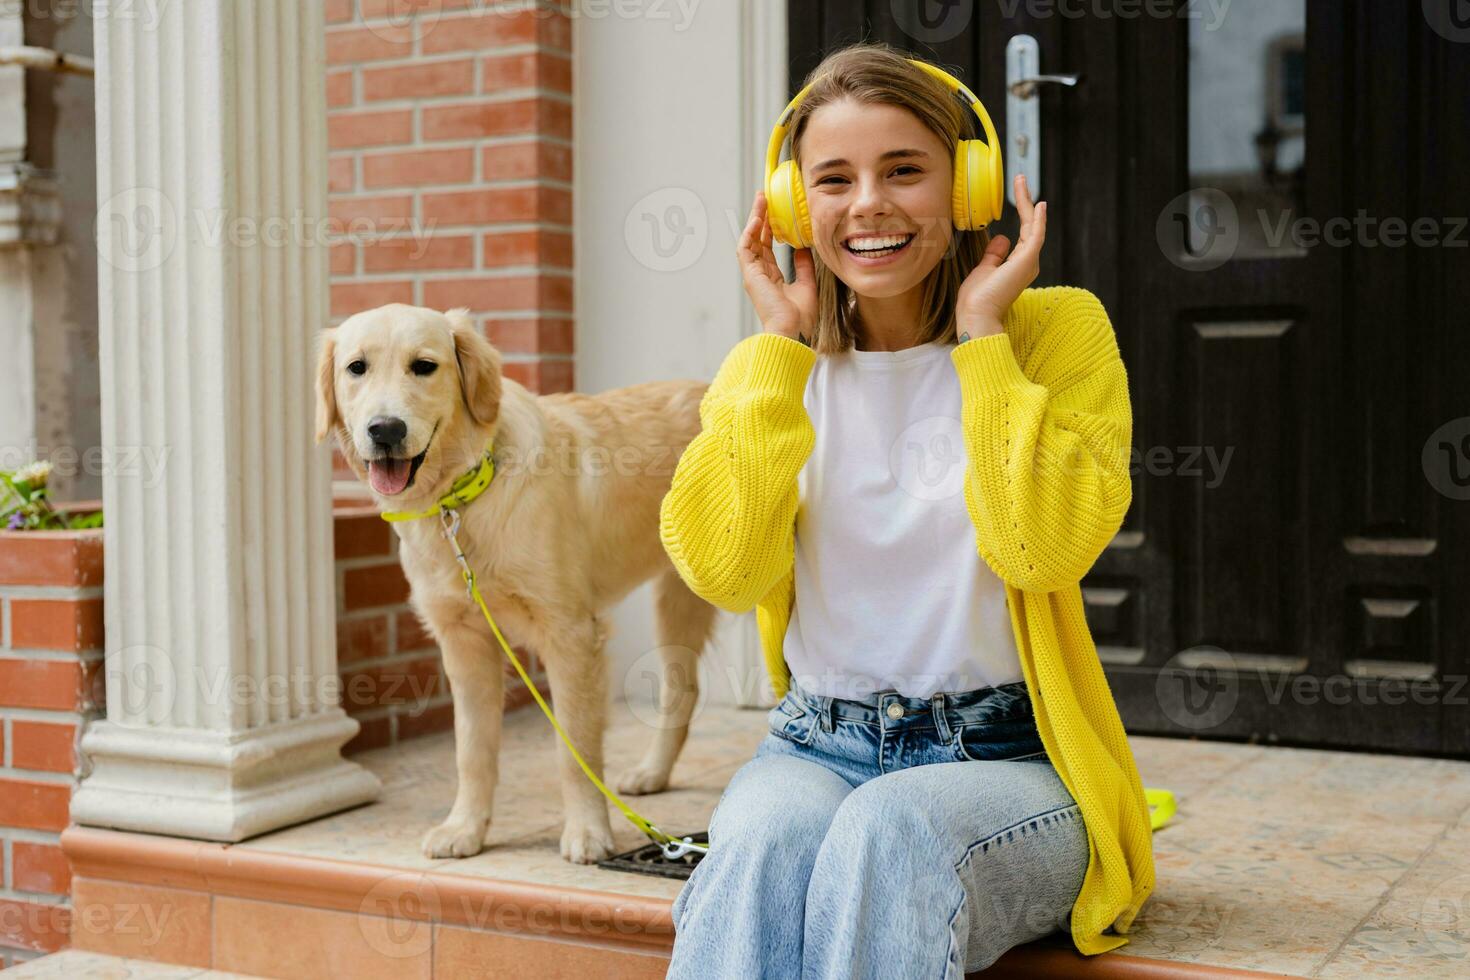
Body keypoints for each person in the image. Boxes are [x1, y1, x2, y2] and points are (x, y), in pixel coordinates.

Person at [658, 41, 1155, 978]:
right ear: (797, 205)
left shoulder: (1058, 335)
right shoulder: (771, 372)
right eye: (834, 180)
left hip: (1006, 762)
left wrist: (982, 340)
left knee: (890, 832)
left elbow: (1041, 550)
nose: (869, 205)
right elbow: (723, 571)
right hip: (815, 743)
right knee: (763, 842)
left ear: (967, 187)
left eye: (904, 171)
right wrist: (777, 348)